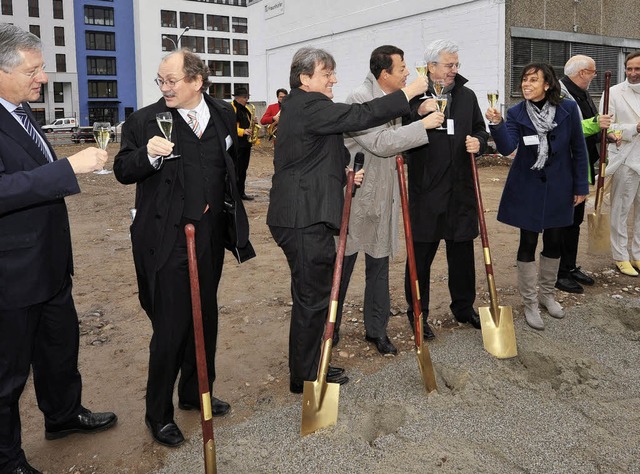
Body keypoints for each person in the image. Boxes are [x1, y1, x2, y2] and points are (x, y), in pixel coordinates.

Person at [267, 46, 428, 394]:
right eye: (327, 74)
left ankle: (308, 366)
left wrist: (343, 173)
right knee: (312, 298)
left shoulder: (299, 107)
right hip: (303, 216)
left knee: (311, 296)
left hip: (302, 212)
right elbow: (360, 116)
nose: (334, 79)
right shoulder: (309, 105)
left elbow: (307, 156)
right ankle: (308, 376)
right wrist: (409, 93)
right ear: (305, 78)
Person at [114, 49, 250, 447]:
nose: (165, 87)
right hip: (166, 237)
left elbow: (228, 162)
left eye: (172, 80)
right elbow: (123, 169)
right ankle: (158, 414)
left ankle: (195, 393)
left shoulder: (223, 113)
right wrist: (148, 156)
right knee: (171, 325)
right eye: (161, 80)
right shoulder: (144, 120)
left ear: (197, 81)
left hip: (208, 233)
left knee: (204, 315)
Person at [0, 24, 116, 474]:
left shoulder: (22, 113)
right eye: (34, 69)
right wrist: (66, 169)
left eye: (42, 68)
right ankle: (8, 459)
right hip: (12, 273)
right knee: (8, 375)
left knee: (58, 350)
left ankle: (64, 416)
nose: (43, 77)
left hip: (49, 264)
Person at [334, 45, 444, 355]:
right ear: (385, 75)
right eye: (402, 69)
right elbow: (381, 142)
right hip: (356, 196)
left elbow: (393, 120)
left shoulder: (392, 101)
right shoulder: (359, 98)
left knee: (379, 266)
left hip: (385, 196)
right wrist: (421, 125)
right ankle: (331, 326)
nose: (408, 72)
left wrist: (416, 111)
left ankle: (376, 329)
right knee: (343, 264)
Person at [486, 62, 589, 330]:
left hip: (560, 187)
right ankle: (530, 302)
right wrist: (497, 125)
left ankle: (547, 295)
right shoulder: (517, 112)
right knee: (528, 242)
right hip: (528, 187)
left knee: (555, 241)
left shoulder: (567, 109)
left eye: (533, 80)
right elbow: (508, 147)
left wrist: (581, 186)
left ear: (547, 84)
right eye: (524, 80)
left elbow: (579, 149)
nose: (526, 84)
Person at [403, 39, 488, 339]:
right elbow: (397, 133)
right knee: (421, 257)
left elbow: (480, 129)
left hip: (460, 191)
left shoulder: (467, 96)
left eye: (456, 65)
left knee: (463, 254)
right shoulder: (413, 97)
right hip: (427, 193)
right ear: (430, 67)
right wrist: (416, 112)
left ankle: (463, 307)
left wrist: (480, 142)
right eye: (449, 65)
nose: (454, 70)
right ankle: (417, 314)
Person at [555, 55, 612, 293]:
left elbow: (589, 126)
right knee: (562, 222)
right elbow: (563, 128)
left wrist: (606, 134)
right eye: (592, 72)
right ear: (581, 73)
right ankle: (558, 273)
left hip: (581, 166)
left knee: (575, 221)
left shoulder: (582, 93)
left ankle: (569, 267)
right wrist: (595, 124)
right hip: (563, 168)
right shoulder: (559, 94)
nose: (594, 76)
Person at [599, 52, 640, 277]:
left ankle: (638, 254)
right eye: (629, 68)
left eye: (637, 69)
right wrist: (634, 129)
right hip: (625, 158)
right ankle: (620, 256)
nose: (633, 73)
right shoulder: (613, 92)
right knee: (621, 210)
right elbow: (606, 128)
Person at [232, 87, 255, 200]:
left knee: (243, 170)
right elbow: (229, 126)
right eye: (245, 97)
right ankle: (234, 194)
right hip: (237, 145)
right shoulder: (232, 108)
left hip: (246, 144)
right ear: (238, 98)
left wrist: (253, 123)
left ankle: (241, 193)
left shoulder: (246, 109)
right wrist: (243, 131)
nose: (247, 99)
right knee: (236, 170)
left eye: (247, 97)